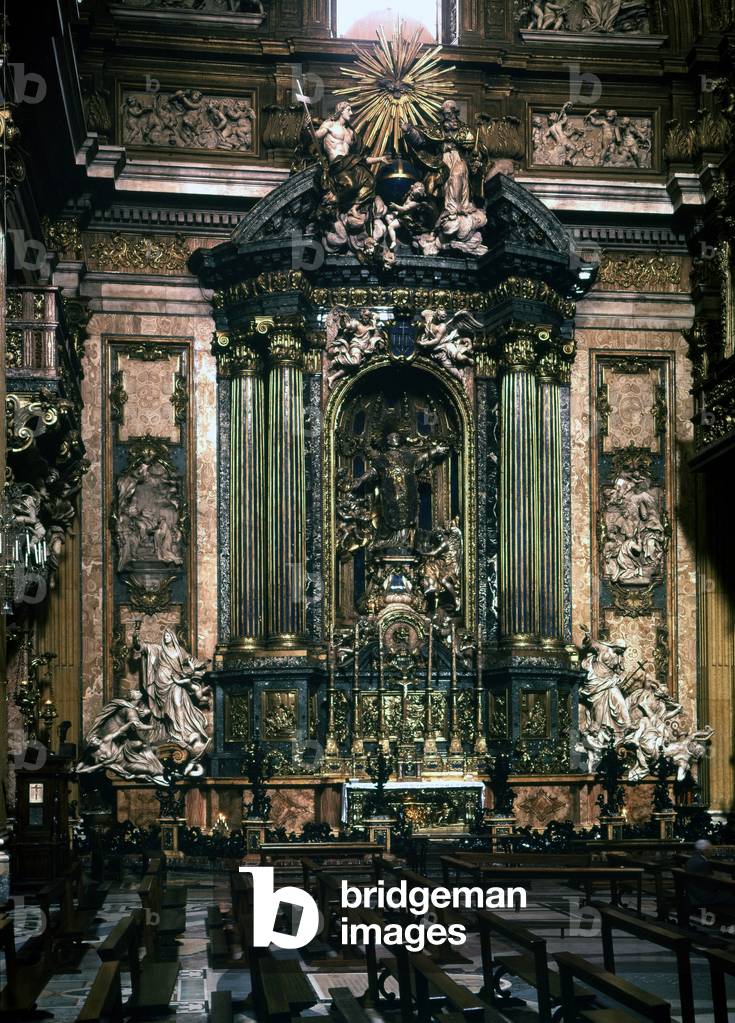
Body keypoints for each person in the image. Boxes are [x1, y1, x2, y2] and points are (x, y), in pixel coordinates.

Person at [685, 839, 735, 916]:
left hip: (693, 892)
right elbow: (710, 884)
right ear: (705, 850)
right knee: (730, 894)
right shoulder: (702, 863)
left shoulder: (693, 859)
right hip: (703, 895)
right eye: (711, 850)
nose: (712, 852)